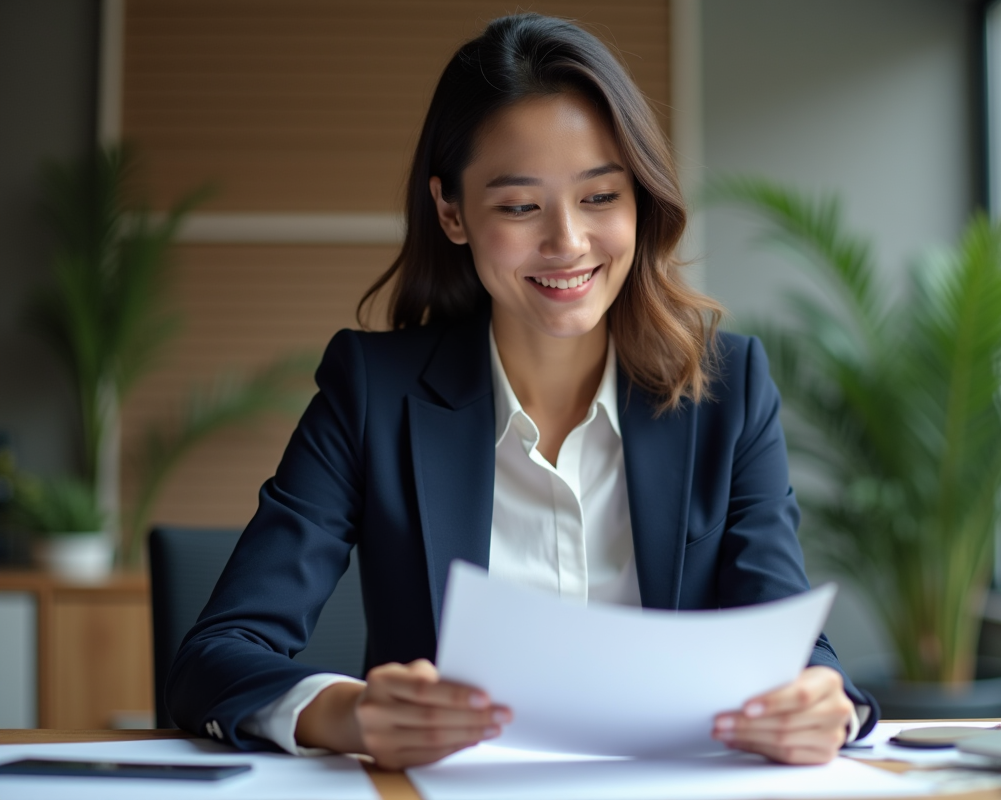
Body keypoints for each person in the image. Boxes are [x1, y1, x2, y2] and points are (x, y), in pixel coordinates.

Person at [167, 12, 879, 770]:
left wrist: (819, 701)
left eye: (600, 198)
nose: (567, 242)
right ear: (452, 212)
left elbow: (796, 647)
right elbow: (216, 655)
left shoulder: (728, 390)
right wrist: (350, 713)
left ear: (640, 199)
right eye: (518, 206)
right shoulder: (371, 391)